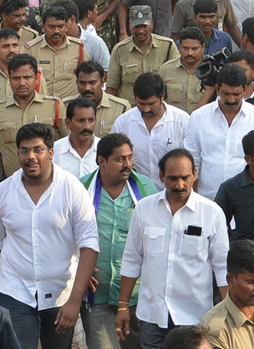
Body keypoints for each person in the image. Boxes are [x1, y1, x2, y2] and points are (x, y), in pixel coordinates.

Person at [0, 123, 98, 349]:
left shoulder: (72, 188)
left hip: (60, 294)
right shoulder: (3, 191)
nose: (31, 157)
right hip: (14, 291)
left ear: (51, 152)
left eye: (38, 150)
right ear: (17, 154)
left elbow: (89, 245)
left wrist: (75, 302)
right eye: (24, 151)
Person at [117, 148, 230, 348]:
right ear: (161, 176)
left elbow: (222, 268)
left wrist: (228, 313)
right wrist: (123, 306)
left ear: (195, 174)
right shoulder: (144, 209)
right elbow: (132, 259)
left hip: (194, 317)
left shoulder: (212, 213)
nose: (179, 185)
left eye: (185, 178)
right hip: (152, 315)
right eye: (173, 178)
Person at [81, 133, 157, 349]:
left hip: (137, 294)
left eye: (130, 158)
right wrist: (80, 271)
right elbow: (67, 237)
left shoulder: (145, 189)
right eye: (120, 159)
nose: (128, 164)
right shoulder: (81, 188)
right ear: (101, 161)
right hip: (97, 292)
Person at [182, 62, 254, 201]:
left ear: (244, 90)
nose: (231, 99)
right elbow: (191, 162)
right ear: (217, 89)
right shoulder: (198, 118)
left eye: (236, 94)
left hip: (247, 202)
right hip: (207, 201)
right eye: (226, 94)